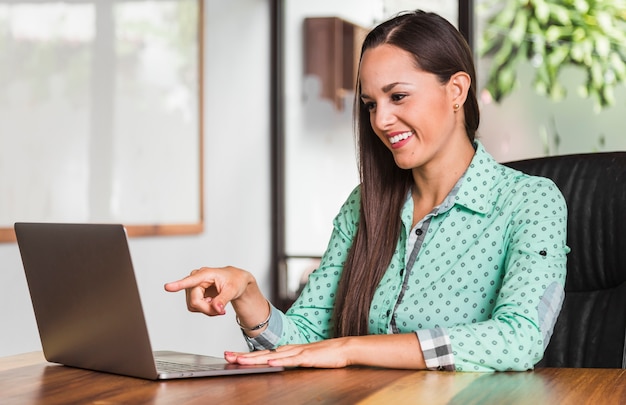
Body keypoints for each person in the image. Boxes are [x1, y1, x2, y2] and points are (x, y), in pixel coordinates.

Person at [165, 10, 569, 372]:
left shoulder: (530, 202)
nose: (382, 120)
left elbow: (519, 339)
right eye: (371, 104)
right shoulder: (363, 205)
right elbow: (304, 339)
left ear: (457, 91)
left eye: (398, 96)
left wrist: (353, 349)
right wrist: (247, 295)